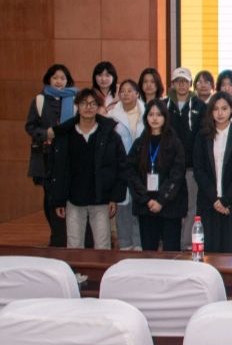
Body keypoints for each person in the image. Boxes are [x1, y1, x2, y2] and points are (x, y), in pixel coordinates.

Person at [46, 87, 126, 249]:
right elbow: (57, 169)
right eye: (84, 103)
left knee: (103, 245)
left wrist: (114, 197)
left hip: (101, 199)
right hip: (73, 200)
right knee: (74, 245)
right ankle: (75, 268)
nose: (88, 107)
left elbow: (120, 167)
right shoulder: (65, 135)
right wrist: (59, 200)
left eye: (92, 103)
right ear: (77, 106)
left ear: (98, 107)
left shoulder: (110, 134)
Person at [25, 63, 77, 247]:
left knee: (67, 195)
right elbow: (30, 126)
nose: (59, 81)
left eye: (62, 78)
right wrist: (45, 133)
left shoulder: (75, 99)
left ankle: (67, 235)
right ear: (49, 79)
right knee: (50, 196)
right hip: (47, 157)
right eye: (55, 78)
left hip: (69, 156)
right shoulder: (40, 100)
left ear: (67, 81)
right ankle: (56, 235)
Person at [193, 92, 232, 253]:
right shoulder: (202, 136)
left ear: (231, 109)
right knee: (209, 251)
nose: (220, 113)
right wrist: (215, 199)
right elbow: (199, 170)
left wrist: (225, 200)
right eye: (216, 109)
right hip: (208, 202)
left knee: (231, 250)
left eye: (224, 108)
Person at [128, 99, 187, 252]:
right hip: (146, 205)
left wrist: (161, 200)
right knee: (148, 251)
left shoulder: (174, 142)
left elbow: (177, 174)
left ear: (165, 117)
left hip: (170, 204)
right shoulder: (140, 143)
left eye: (159, 115)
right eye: (151, 114)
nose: (154, 118)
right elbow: (130, 172)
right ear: (146, 117)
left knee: (171, 251)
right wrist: (146, 199)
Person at [167, 67, 206, 251]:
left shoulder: (200, 106)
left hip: (191, 167)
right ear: (173, 84)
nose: (181, 85)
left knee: (192, 207)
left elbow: (202, 136)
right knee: (172, 205)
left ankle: (188, 244)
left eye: (185, 81)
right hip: (170, 168)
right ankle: (172, 245)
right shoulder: (164, 105)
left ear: (190, 84)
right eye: (178, 81)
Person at [107, 79, 144, 250]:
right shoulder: (111, 116)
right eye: (123, 91)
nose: (126, 94)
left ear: (137, 94)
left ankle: (139, 243)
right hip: (120, 166)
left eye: (130, 91)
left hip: (141, 166)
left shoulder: (147, 112)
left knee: (139, 204)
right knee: (123, 205)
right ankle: (125, 243)